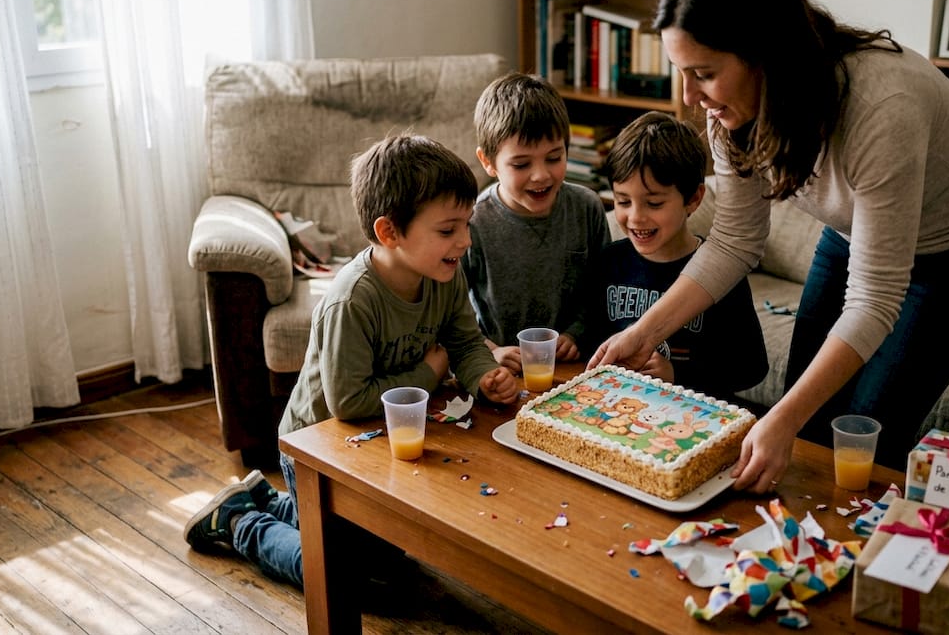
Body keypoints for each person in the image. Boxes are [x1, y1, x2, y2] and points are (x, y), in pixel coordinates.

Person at [588, 0, 949, 494]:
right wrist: (643, 333)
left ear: (765, 55)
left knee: (861, 435)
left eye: (704, 73)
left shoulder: (882, 108)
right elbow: (735, 243)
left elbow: (874, 300)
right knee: (805, 418)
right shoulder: (732, 112)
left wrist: (781, 420)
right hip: (852, 233)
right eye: (681, 73)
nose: (691, 98)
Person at [183, 134, 521, 589]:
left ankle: (271, 501)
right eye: (448, 229)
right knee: (346, 577)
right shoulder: (352, 301)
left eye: (466, 224)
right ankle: (240, 523)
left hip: (375, 443)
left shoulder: (444, 271)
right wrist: (429, 372)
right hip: (318, 449)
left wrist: (484, 376)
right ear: (389, 233)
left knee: (391, 553)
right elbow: (348, 401)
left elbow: (463, 339)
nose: (465, 240)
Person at [581, 111, 768, 398]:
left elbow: (751, 367)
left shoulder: (721, 275)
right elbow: (591, 343)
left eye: (654, 203)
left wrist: (677, 375)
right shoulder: (608, 263)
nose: (635, 217)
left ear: (693, 199)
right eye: (622, 201)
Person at [464, 72, 610, 374]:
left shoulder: (587, 208)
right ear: (488, 162)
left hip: (574, 368)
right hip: (500, 371)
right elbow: (451, 312)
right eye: (521, 164)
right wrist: (489, 351)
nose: (541, 175)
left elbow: (602, 289)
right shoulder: (472, 222)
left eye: (554, 158)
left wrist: (576, 333)